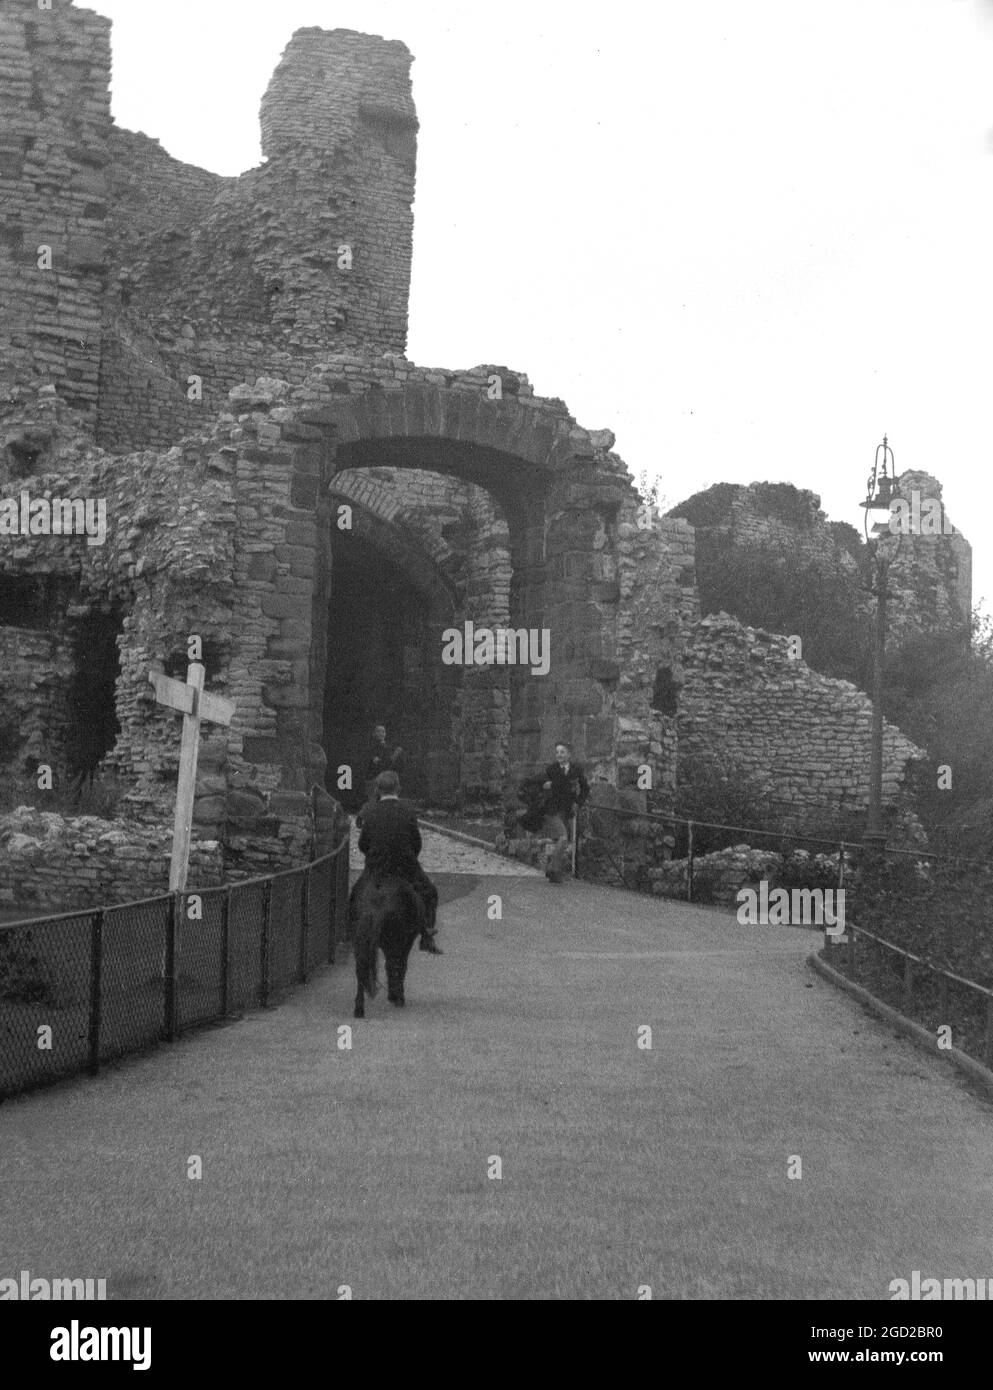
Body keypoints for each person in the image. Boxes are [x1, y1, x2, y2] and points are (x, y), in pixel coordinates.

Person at [352, 770, 442, 953]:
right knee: (430, 893)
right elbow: (417, 844)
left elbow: (362, 844)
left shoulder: (371, 811)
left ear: (378, 789)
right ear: (398, 788)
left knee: (355, 894)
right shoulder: (408, 811)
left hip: (376, 870)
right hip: (404, 868)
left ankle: (349, 931)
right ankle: (426, 935)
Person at [541, 741, 590, 883]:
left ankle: (555, 872)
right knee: (563, 838)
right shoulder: (551, 770)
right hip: (552, 810)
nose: (559, 755)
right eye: (557, 752)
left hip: (567, 810)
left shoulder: (576, 770)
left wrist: (578, 802)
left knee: (563, 840)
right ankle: (552, 869)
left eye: (562, 752)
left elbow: (585, 788)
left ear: (569, 754)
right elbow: (544, 785)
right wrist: (548, 786)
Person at [363, 723, 404, 803]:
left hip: (387, 782)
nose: (381, 734)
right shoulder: (370, 748)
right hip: (373, 780)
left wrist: (395, 755)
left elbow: (391, 764)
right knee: (373, 803)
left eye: (383, 732)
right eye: (378, 731)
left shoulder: (390, 747)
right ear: (374, 733)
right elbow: (378, 764)